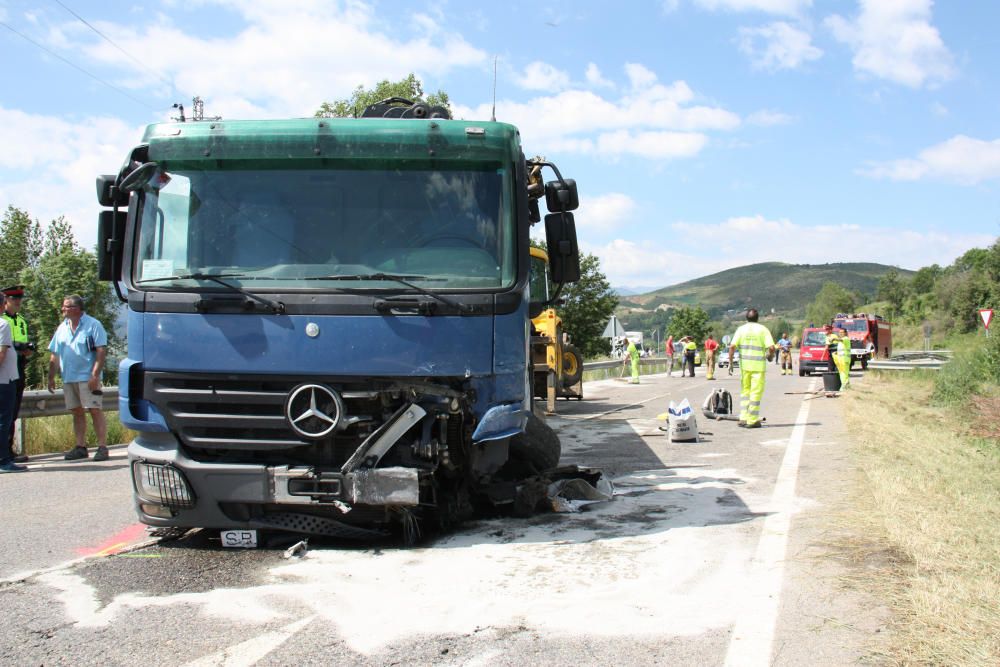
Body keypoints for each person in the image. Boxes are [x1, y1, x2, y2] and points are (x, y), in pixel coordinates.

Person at [47, 295, 109, 462]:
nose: (63, 309)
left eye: (66, 306)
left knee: (94, 410)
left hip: (88, 377)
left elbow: (101, 351)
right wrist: (51, 376)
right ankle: (80, 446)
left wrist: (95, 375)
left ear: (76, 309)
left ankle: (102, 447)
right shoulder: (62, 328)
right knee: (76, 411)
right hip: (69, 376)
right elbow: (55, 353)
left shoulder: (93, 325)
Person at [729, 308, 775, 429]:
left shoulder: (741, 329)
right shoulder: (763, 330)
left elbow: (732, 346)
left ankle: (743, 417)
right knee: (755, 393)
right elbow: (771, 347)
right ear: (757, 318)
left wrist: (730, 362)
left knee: (745, 392)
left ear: (746, 318)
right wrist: (770, 356)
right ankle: (752, 420)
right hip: (758, 367)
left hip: (745, 367)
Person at [2, 285, 32, 463]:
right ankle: (4, 451)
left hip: (19, 365)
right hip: (4, 367)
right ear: (6, 300)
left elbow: (22, 342)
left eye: (20, 298)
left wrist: (26, 349)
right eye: (15, 299)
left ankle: (9, 450)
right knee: (5, 411)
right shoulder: (2, 319)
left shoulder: (20, 320)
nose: (18, 302)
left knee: (13, 411)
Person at [0, 293, 25, 473]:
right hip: (4, 380)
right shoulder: (3, 324)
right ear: (2, 305)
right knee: (3, 420)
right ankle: (3, 460)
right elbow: (1, 354)